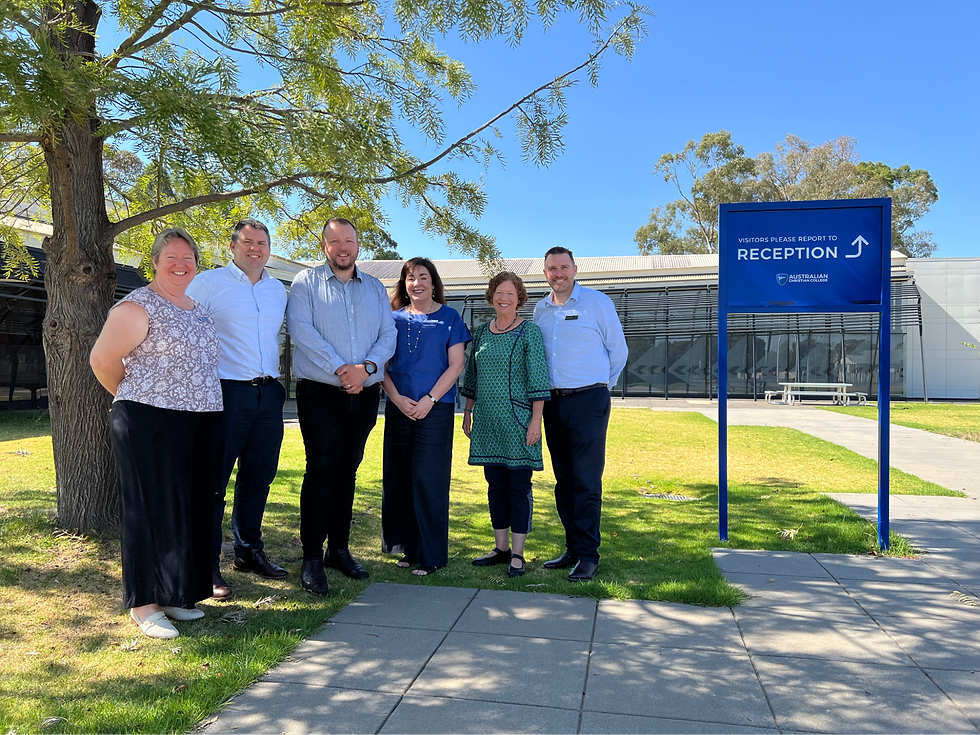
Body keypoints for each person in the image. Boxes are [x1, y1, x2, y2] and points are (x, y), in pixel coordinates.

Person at [90, 227, 223, 638]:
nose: (181, 264)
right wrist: (136, 398)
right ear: (154, 261)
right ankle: (144, 605)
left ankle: (172, 594)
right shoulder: (136, 308)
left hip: (198, 420)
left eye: (188, 258)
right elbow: (102, 360)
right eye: (172, 257)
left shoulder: (197, 308)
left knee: (186, 507)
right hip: (148, 419)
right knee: (149, 509)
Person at [286, 217, 396, 595]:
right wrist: (340, 369)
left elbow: (388, 334)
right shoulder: (305, 283)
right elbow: (301, 331)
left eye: (349, 241)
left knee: (348, 469)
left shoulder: (376, 288)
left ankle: (339, 549)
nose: (343, 248)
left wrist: (365, 369)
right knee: (321, 468)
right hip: (320, 391)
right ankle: (312, 557)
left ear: (357, 246)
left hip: (364, 392)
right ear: (324, 246)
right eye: (335, 242)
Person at [186, 219, 288, 601]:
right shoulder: (208, 283)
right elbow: (187, 328)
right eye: (247, 242)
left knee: (258, 479)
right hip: (226, 393)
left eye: (262, 243)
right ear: (233, 246)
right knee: (214, 483)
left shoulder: (278, 289)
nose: (255, 249)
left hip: (269, 393)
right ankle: (207, 565)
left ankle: (247, 552)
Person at [533, 246, 627, 582]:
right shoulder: (540, 311)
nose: (558, 274)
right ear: (545, 274)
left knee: (587, 480)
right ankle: (572, 548)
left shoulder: (597, 303)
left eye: (563, 267)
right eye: (551, 269)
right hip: (553, 403)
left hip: (589, 401)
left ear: (575, 269)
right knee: (565, 481)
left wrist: (600, 386)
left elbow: (618, 351)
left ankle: (589, 555)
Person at [381, 258, 470, 576]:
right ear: (403, 284)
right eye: (410, 277)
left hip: (435, 408)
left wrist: (430, 399)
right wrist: (396, 398)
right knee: (400, 477)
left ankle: (431, 555)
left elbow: (456, 365)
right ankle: (408, 548)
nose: (416, 283)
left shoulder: (450, 318)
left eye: (423, 277)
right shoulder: (391, 319)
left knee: (428, 480)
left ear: (434, 283)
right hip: (399, 406)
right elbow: (382, 366)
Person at [461, 272, 550, 578]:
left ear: (519, 297)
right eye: (500, 292)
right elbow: (472, 375)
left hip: (519, 421)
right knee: (495, 485)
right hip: (487, 421)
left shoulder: (529, 332)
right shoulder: (483, 332)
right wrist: (468, 411)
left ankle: (517, 553)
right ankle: (499, 548)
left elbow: (538, 378)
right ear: (492, 296)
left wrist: (536, 422)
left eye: (511, 293)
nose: (504, 298)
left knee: (519, 487)